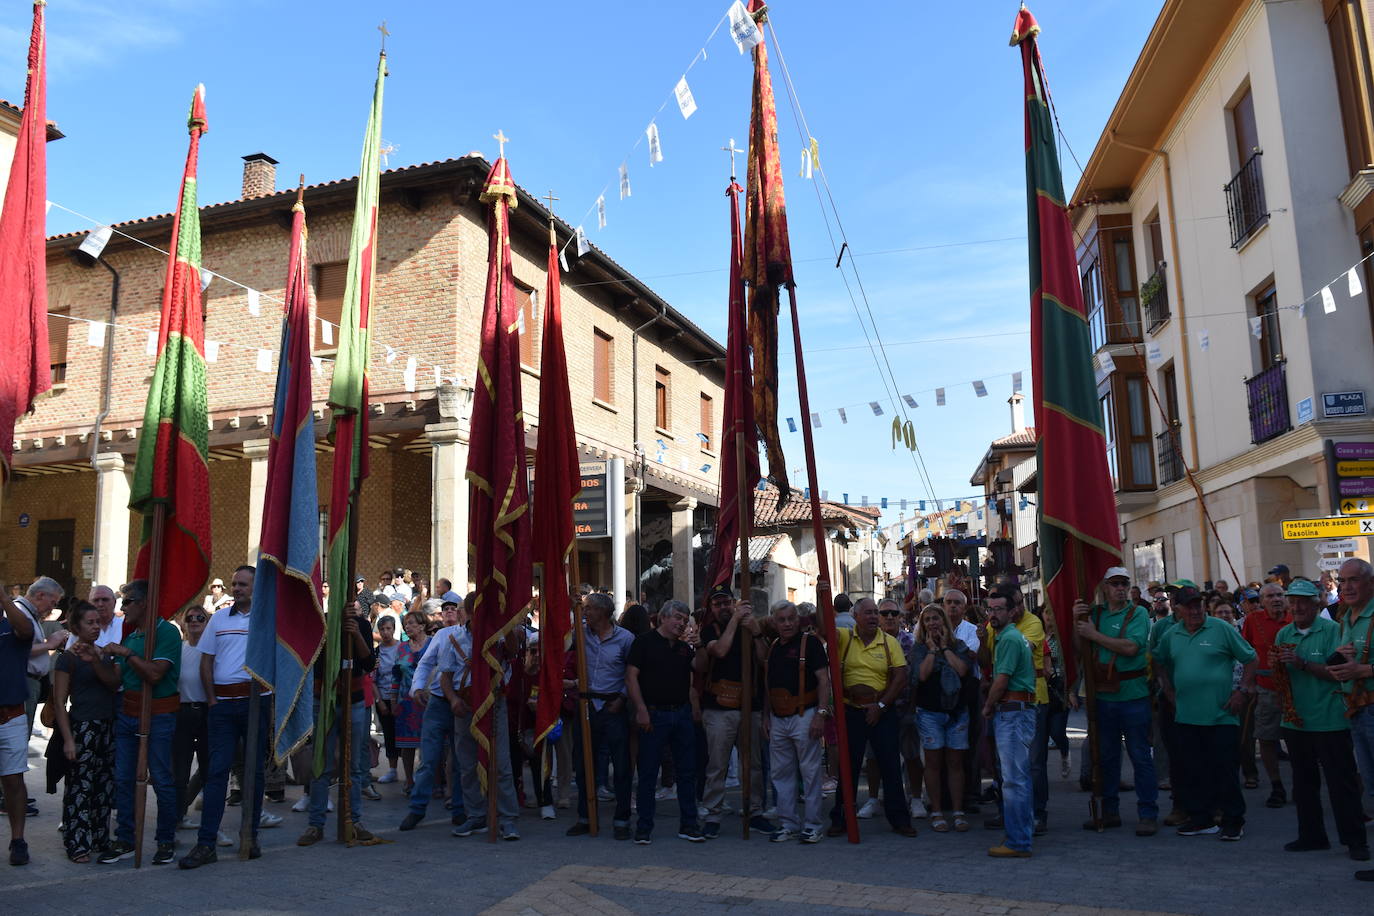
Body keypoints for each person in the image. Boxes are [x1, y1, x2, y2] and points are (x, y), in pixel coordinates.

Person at [179, 566, 271, 868]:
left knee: (254, 772)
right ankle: (206, 844)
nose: (237, 588)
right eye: (234, 584)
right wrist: (213, 700)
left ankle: (250, 836)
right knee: (216, 773)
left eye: (243, 584)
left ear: (256, 587)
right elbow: (207, 661)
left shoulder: (267, 619)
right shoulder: (218, 619)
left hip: (256, 704)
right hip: (222, 707)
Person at [1272, 578, 1369, 861]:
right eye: (1293, 601)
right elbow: (1280, 678)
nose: (1297, 606)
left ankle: (1355, 841)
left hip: (1330, 720)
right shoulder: (1284, 634)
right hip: (1296, 721)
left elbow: (1337, 673)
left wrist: (1302, 664)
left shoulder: (1334, 631)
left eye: (1303, 601)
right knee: (1303, 784)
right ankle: (1311, 836)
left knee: (1342, 784)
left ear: (1316, 604)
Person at [1154, 586, 1257, 840]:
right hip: (1187, 716)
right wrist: (1167, 689)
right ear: (1178, 609)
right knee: (1193, 771)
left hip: (1221, 714)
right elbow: (1158, 660)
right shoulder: (1171, 634)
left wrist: (1242, 690)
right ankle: (1202, 819)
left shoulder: (1221, 628)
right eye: (1189, 605)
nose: (1195, 609)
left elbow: (1251, 658)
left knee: (1225, 770)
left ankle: (1234, 820)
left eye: (1198, 604)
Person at [99, 579, 183, 865]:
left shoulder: (167, 632)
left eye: (127, 601)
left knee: (160, 779)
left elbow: (156, 674)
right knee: (123, 779)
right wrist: (94, 661)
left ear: (144, 603)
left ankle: (165, 840)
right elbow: (115, 680)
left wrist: (128, 654)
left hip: (158, 714)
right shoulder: (132, 636)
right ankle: (125, 838)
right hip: (128, 713)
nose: (123, 607)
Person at [1073, 567, 1157, 836]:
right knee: (1106, 757)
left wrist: (1093, 635)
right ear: (1105, 588)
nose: (1120, 588)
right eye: (1115, 584)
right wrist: (1078, 624)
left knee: (1140, 756)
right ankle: (1110, 812)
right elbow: (1080, 648)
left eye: (1124, 583)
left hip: (1133, 696)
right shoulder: (1095, 614)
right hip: (1104, 696)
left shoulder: (1138, 613)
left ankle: (1148, 813)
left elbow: (1131, 647)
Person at [827, 597, 916, 838]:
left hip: (882, 711)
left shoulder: (889, 643)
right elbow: (822, 625)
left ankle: (899, 819)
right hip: (851, 710)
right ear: (855, 616)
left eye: (876, 612)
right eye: (868, 613)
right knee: (849, 766)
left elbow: (900, 678)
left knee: (890, 766)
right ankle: (841, 817)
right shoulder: (844, 638)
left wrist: (880, 705)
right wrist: (820, 593)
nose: (874, 617)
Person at [626, 599, 703, 844]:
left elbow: (700, 667)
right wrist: (640, 710)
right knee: (648, 772)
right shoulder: (644, 643)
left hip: (681, 714)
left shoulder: (684, 648)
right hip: (654, 713)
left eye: (685, 619)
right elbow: (630, 678)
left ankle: (689, 825)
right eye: (677, 617)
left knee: (687, 772)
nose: (681, 623)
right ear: (663, 618)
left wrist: (699, 646)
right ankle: (644, 827)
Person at [441, 609, 520, 841]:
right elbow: (445, 677)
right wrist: (453, 699)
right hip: (465, 706)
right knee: (466, 765)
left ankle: (507, 818)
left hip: (494, 704)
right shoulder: (453, 638)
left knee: (501, 763)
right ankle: (476, 815)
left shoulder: (500, 637)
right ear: (468, 615)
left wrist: (510, 625)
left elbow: (513, 652)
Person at [697, 583, 769, 838]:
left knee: (754, 765)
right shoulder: (709, 630)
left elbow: (764, 660)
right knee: (717, 765)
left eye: (726, 602)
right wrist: (736, 620)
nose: (723, 607)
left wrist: (757, 633)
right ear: (712, 609)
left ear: (733, 601)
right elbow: (720, 649)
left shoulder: (750, 627)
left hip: (751, 705)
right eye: (718, 604)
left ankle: (756, 811)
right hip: (719, 708)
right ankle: (712, 814)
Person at [51, 601, 120, 862]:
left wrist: (96, 661)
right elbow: (59, 702)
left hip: (107, 726)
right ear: (76, 626)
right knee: (80, 788)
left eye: (97, 622)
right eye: (89, 623)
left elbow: (114, 684)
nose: (95, 626)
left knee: (103, 786)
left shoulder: (103, 654)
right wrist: (68, 740)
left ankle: (100, 838)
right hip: (82, 727)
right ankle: (77, 842)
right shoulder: (66, 659)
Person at [565, 592, 635, 840]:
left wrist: (622, 699)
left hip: (612, 706)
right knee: (584, 764)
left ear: (604, 613)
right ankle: (585, 816)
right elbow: (559, 639)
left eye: (590, 609)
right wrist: (569, 606)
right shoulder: (581, 635)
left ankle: (622, 819)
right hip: (586, 704)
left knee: (621, 764)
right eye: (584, 609)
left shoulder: (626, 639)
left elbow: (632, 673)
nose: (586, 613)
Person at [981, 585, 1050, 836]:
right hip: (1012, 708)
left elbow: (1002, 677)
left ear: (1012, 611)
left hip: (1016, 707)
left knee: (1021, 774)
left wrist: (988, 705)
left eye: (999, 609)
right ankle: (1018, 826)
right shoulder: (1000, 633)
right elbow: (987, 660)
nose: (993, 614)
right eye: (991, 609)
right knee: (1011, 774)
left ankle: (1022, 833)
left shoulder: (1013, 636)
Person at [762, 599, 830, 843]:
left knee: (810, 773)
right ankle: (788, 823)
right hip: (778, 719)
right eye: (781, 620)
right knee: (780, 773)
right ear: (774, 622)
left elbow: (824, 680)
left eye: (791, 618)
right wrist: (766, 717)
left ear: (798, 620)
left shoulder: (809, 643)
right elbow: (768, 685)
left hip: (805, 715)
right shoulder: (773, 647)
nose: (787, 623)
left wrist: (821, 715)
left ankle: (812, 824)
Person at [1328, 558, 1374, 884]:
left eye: (1353, 580)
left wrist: (1364, 670)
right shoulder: (1346, 616)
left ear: (1370, 581)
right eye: (1342, 581)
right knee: (1371, 788)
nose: (1346, 587)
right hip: (1356, 710)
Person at [910, 603, 972, 834]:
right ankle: (936, 811)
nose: (932, 623)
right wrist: (932, 650)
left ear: (944, 621)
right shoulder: (918, 649)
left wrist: (945, 647)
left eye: (936, 618)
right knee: (933, 763)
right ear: (922, 625)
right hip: (929, 713)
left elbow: (962, 670)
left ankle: (957, 811)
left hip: (956, 712)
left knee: (955, 763)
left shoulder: (959, 646)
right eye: (927, 620)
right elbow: (922, 675)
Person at [1240, 582, 1292, 805]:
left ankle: (1302, 783)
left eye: (1280, 595)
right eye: (1270, 596)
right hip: (1266, 688)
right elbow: (1245, 652)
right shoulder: (1253, 620)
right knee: (1267, 738)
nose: (1276, 599)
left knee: (1297, 740)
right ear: (1261, 602)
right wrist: (1248, 683)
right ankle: (1277, 785)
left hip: (1295, 689)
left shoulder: (1295, 619)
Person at [1, 585, 36, 865]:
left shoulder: (12, 627)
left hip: (10, 715)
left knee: (13, 780)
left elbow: (26, 632)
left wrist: (3, 597)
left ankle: (18, 840)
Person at [172, 606, 214, 840]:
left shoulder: (214, 651)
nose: (195, 621)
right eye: (191, 618)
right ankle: (177, 817)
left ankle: (210, 823)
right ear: (184, 623)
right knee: (179, 769)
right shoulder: (178, 649)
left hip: (208, 712)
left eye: (201, 618)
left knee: (210, 768)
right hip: (183, 712)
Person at [393, 610, 432, 799]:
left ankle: (431, 782)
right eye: (406, 624)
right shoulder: (401, 648)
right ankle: (409, 781)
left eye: (411, 623)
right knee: (406, 746)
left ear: (423, 625)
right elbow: (396, 675)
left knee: (431, 744)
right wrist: (393, 700)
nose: (407, 627)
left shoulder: (433, 644)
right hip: (406, 703)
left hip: (429, 701)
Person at [373, 616, 401, 785]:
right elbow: (373, 679)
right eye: (382, 629)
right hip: (383, 696)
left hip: (400, 697)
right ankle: (392, 769)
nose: (385, 632)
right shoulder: (376, 652)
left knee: (403, 734)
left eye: (388, 629)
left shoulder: (402, 648)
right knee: (389, 734)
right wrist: (380, 701)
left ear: (394, 629)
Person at [69, 585, 122, 649]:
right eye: (96, 600)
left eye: (105, 600)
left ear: (114, 602)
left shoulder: (125, 626)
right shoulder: (80, 629)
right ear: (89, 603)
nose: (100, 604)